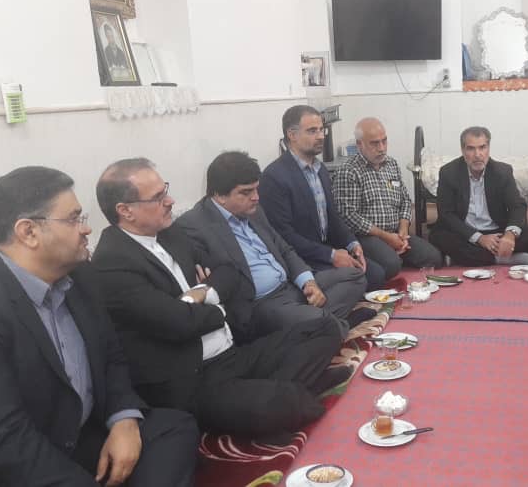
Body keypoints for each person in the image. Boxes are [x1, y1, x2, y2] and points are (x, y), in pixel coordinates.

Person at [0, 166, 198, 487]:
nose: (87, 229)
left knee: (173, 429)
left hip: (65, 435)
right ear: (28, 232)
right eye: (74, 219)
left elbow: (111, 357)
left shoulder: (80, 276)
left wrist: (123, 419)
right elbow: (4, 440)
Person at [91, 158, 350, 444]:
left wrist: (202, 292)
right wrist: (216, 305)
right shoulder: (111, 262)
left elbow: (229, 272)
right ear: (125, 211)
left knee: (324, 329)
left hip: (231, 353)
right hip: (194, 376)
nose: (170, 201)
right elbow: (180, 324)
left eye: (166, 190)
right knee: (278, 406)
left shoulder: (169, 233)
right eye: (158, 197)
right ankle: (290, 392)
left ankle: (279, 390)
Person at [175, 151, 368, 342]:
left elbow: (284, 249)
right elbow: (218, 280)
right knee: (318, 320)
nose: (256, 197)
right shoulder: (194, 226)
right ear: (219, 195)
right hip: (262, 304)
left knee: (355, 276)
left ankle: (316, 327)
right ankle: (329, 325)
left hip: (291, 287)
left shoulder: (254, 210)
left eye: (256, 189)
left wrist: (308, 283)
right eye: (246, 192)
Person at [260, 105, 385, 290]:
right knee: (362, 279)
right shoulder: (274, 177)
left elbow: (333, 217)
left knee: (378, 273)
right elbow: (283, 236)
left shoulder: (320, 170)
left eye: (321, 130)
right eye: (312, 131)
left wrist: (352, 244)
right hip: (301, 258)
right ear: (292, 135)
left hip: (325, 247)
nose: (320, 136)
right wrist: (331, 255)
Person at [333, 117, 443, 278]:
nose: (381, 148)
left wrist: (403, 231)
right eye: (374, 143)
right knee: (392, 265)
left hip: (396, 232)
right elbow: (348, 216)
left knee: (434, 258)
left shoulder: (391, 164)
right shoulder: (348, 171)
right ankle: (379, 258)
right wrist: (386, 237)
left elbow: (405, 200)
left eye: (384, 141)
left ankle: (393, 252)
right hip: (367, 236)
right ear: (359, 144)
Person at [429, 126, 528, 267]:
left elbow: (517, 206)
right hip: (465, 232)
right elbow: (446, 213)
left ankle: (465, 258)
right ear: (463, 150)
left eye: (482, 147)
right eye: (471, 148)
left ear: (488, 148)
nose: (477, 154)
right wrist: (479, 238)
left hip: (496, 231)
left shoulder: (502, 171)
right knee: (439, 237)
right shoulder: (449, 172)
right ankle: (501, 259)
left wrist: (509, 235)